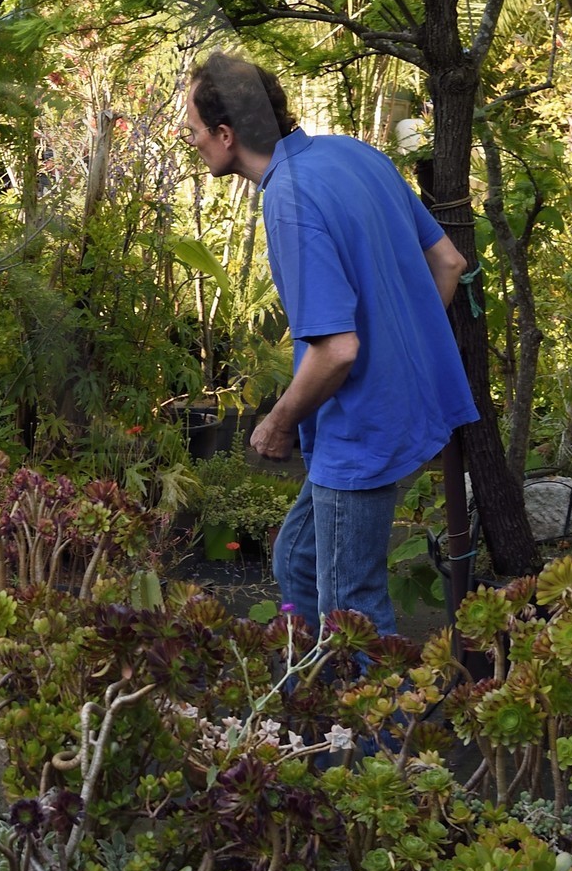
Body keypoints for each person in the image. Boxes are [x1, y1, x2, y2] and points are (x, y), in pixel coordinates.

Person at [182, 51, 475, 635]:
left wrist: (279, 422)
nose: (187, 139)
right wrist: (401, 346)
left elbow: (336, 351)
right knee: (299, 560)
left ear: (225, 134)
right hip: (413, 405)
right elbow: (448, 261)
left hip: (362, 432)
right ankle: (310, 710)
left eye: (191, 129)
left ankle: (379, 728)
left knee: (352, 612)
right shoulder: (354, 152)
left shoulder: (288, 197)